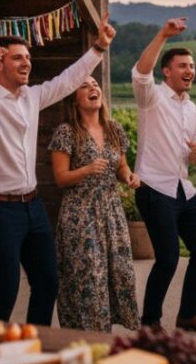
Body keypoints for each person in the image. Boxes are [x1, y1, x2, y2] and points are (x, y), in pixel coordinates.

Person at [0, 20, 115, 325]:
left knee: (47, 282)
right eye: (18, 58)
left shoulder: (32, 97)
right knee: (5, 290)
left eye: (28, 58)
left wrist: (98, 47)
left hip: (33, 206)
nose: (26, 63)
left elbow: (68, 80)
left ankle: (34, 343)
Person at [132, 18, 196, 333]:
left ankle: (188, 314)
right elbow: (141, 71)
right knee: (168, 259)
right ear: (167, 71)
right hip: (154, 188)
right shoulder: (151, 98)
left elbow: (190, 153)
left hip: (184, 189)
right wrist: (162, 35)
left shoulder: (192, 109)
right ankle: (150, 322)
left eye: (192, 66)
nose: (190, 70)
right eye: (182, 65)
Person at [48, 77, 140, 332]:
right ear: (74, 99)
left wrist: (129, 177)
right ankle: (92, 337)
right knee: (90, 277)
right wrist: (86, 170)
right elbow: (60, 178)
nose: (94, 88)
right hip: (81, 214)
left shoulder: (114, 129)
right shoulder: (66, 132)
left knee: (119, 272)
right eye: (85, 85)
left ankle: (106, 333)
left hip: (111, 211)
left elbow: (121, 167)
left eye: (96, 84)